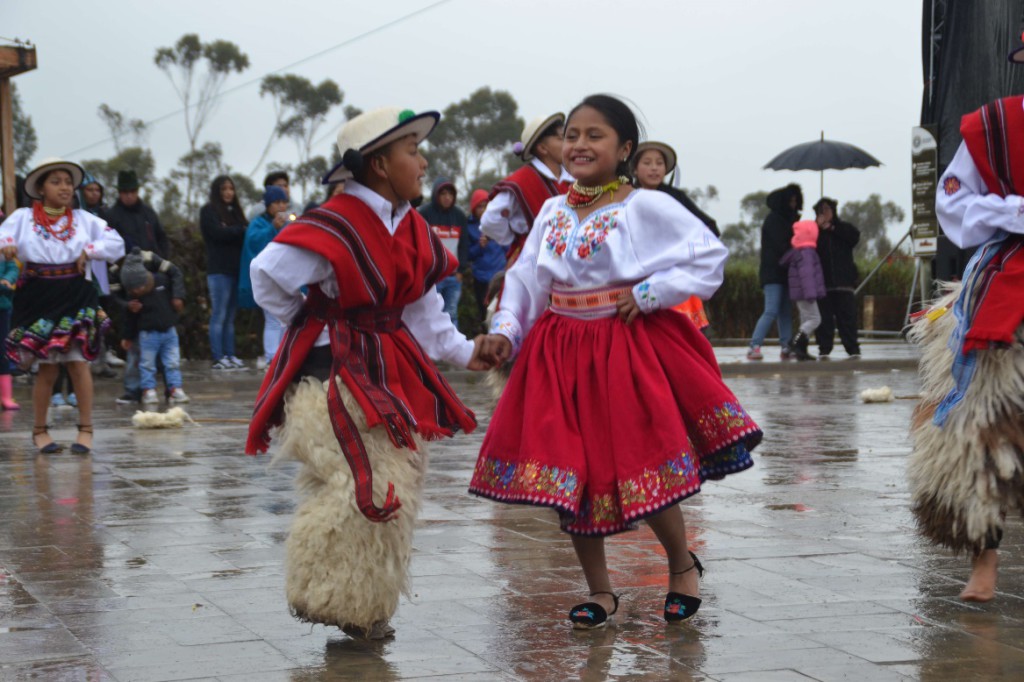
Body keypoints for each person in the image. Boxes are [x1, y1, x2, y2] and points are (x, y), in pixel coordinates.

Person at [470, 95, 761, 629]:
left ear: (624, 148)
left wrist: (652, 292)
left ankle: (680, 564)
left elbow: (708, 255)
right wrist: (506, 332)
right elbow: (527, 282)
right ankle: (600, 592)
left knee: (640, 460)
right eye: (571, 134)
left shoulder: (643, 206)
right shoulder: (554, 211)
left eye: (594, 135)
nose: (579, 144)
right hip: (558, 353)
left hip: (622, 347)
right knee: (569, 476)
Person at [246, 106, 488, 640]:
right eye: (412, 151)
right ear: (379, 164)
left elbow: (425, 315)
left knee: (396, 487)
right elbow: (267, 274)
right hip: (334, 377)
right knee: (367, 486)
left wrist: (470, 353)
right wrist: (318, 322)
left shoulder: (414, 228)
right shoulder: (335, 221)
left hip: (390, 369)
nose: (422, 162)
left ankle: (361, 607)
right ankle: (328, 595)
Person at [909, 92, 1024, 603]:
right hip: (1003, 281)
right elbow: (953, 202)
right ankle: (985, 558)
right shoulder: (994, 126)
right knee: (982, 426)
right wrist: (1017, 210)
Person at [0, 158, 125, 454]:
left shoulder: (85, 220)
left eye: (68, 182)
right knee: (47, 369)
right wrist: (6, 244)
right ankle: (40, 430)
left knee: (79, 363)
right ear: (41, 189)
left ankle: (86, 430)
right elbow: (3, 235)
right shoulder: (22, 217)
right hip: (39, 295)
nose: (65, 187)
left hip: (76, 293)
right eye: (56, 182)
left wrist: (91, 249)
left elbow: (116, 243)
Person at [632, 141, 719, 332]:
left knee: (682, 334)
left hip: (672, 274)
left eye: (659, 163)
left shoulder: (675, 198)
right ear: (635, 168)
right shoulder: (628, 197)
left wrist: (686, 252)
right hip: (637, 276)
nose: (654, 168)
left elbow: (710, 229)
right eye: (647, 163)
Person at [480, 113, 573, 274]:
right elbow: (490, 220)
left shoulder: (573, 178)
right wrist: (515, 239)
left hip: (569, 260)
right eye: (560, 138)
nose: (567, 144)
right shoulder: (521, 181)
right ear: (543, 148)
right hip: (531, 263)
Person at [106, 168, 167, 402]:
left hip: (151, 279)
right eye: (125, 192)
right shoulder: (112, 216)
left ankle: (157, 385)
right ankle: (132, 388)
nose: (129, 196)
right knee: (132, 336)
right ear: (119, 192)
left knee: (157, 331)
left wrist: (160, 261)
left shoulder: (148, 213)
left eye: (132, 191)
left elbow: (161, 238)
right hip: (125, 280)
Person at [118, 247, 188, 404]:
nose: (137, 290)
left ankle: (175, 388)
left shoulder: (163, 281)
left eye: (139, 287)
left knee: (172, 362)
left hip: (169, 331)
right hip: (147, 334)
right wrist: (127, 337)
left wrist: (178, 298)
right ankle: (148, 390)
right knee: (147, 364)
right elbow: (130, 319)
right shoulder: (135, 299)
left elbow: (176, 282)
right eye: (133, 289)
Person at [238, 185, 291, 371]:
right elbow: (254, 243)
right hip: (268, 279)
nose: (281, 206)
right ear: (268, 205)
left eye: (284, 202)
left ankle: (282, 357)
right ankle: (271, 358)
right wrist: (272, 229)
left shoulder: (288, 223)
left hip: (284, 279)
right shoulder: (258, 223)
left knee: (284, 320)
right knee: (273, 320)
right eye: (277, 202)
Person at [748, 184, 802, 361]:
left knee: (785, 312)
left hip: (786, 274)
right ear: (784, 201)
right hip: (773, 274)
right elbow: (782, 246)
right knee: (771, 310)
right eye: (791, 201)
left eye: (796, 201)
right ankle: (754, 346)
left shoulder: (791, 220)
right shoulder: (774, 220)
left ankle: (786, 346)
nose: (793, 204)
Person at [200, 175, 248, 370]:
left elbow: (245, 232)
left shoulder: (236, 212)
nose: (228, 193)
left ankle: (230, 354)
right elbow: (216, 234)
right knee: (219, 314)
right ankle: (218, 357)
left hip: (235, 270)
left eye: (231, 189)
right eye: (224, 189)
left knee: (230, 316)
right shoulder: (208, 211)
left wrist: (232, 229)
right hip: (218, 271)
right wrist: (237, 230)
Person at [813, 198, 861, 359]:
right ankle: (824, 349)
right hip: (822, 285)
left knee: (847, 318)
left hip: (844, 283)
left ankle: (853, 349)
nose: (824, 213)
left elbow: (854, 237)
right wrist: (817, 228)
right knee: (824, 320)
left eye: (827, 209)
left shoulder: (843, 228)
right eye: (821, 210)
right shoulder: (813, 232)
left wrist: (832, 228)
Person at [418, 178, 468, 325]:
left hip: (453, 276)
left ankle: (452, 349)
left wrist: (461, 270)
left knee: (451, 314)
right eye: (443, 193)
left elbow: (464, 245)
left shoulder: (459, 215)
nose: (447, 197)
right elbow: (420, 244)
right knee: (431, 315)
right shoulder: (424, 213)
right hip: (434, 277)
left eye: (450, 194)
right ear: (436, 194)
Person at [780, 220, 826, 361]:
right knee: (815, 319)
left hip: (800, 293)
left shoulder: (799, 252)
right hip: (806, 293)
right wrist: (811, 293)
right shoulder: (807, 253)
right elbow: (807, 275)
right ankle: (794, 343)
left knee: (806, 320)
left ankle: (801, 350)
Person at [464, 189, 506, 325]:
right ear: (474, 208)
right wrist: (479, 246)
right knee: (485, 314)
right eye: (480, 206)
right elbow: (467, 255)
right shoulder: (468, 226)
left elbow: (508, 247)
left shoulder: (499, 222)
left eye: (486, 205)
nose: (483, 209)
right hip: (481, 277)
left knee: (502, 311)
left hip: (499, 275)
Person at [0, 255, 19, 410]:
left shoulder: (3, 245)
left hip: (2, 305)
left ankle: (6, 396)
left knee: (3, 351)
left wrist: (7, 279)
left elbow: (13, 267)